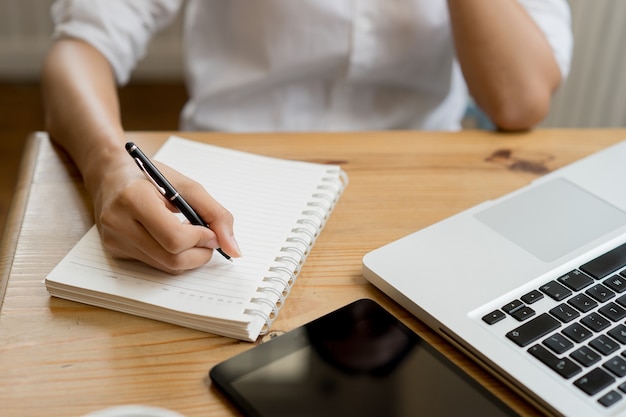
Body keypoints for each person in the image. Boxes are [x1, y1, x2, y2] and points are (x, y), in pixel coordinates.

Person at [41, 0, 573, 274]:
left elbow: (519, 99)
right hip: (228, 181)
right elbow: (81, 47)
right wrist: (110, 164)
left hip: (418, 193)